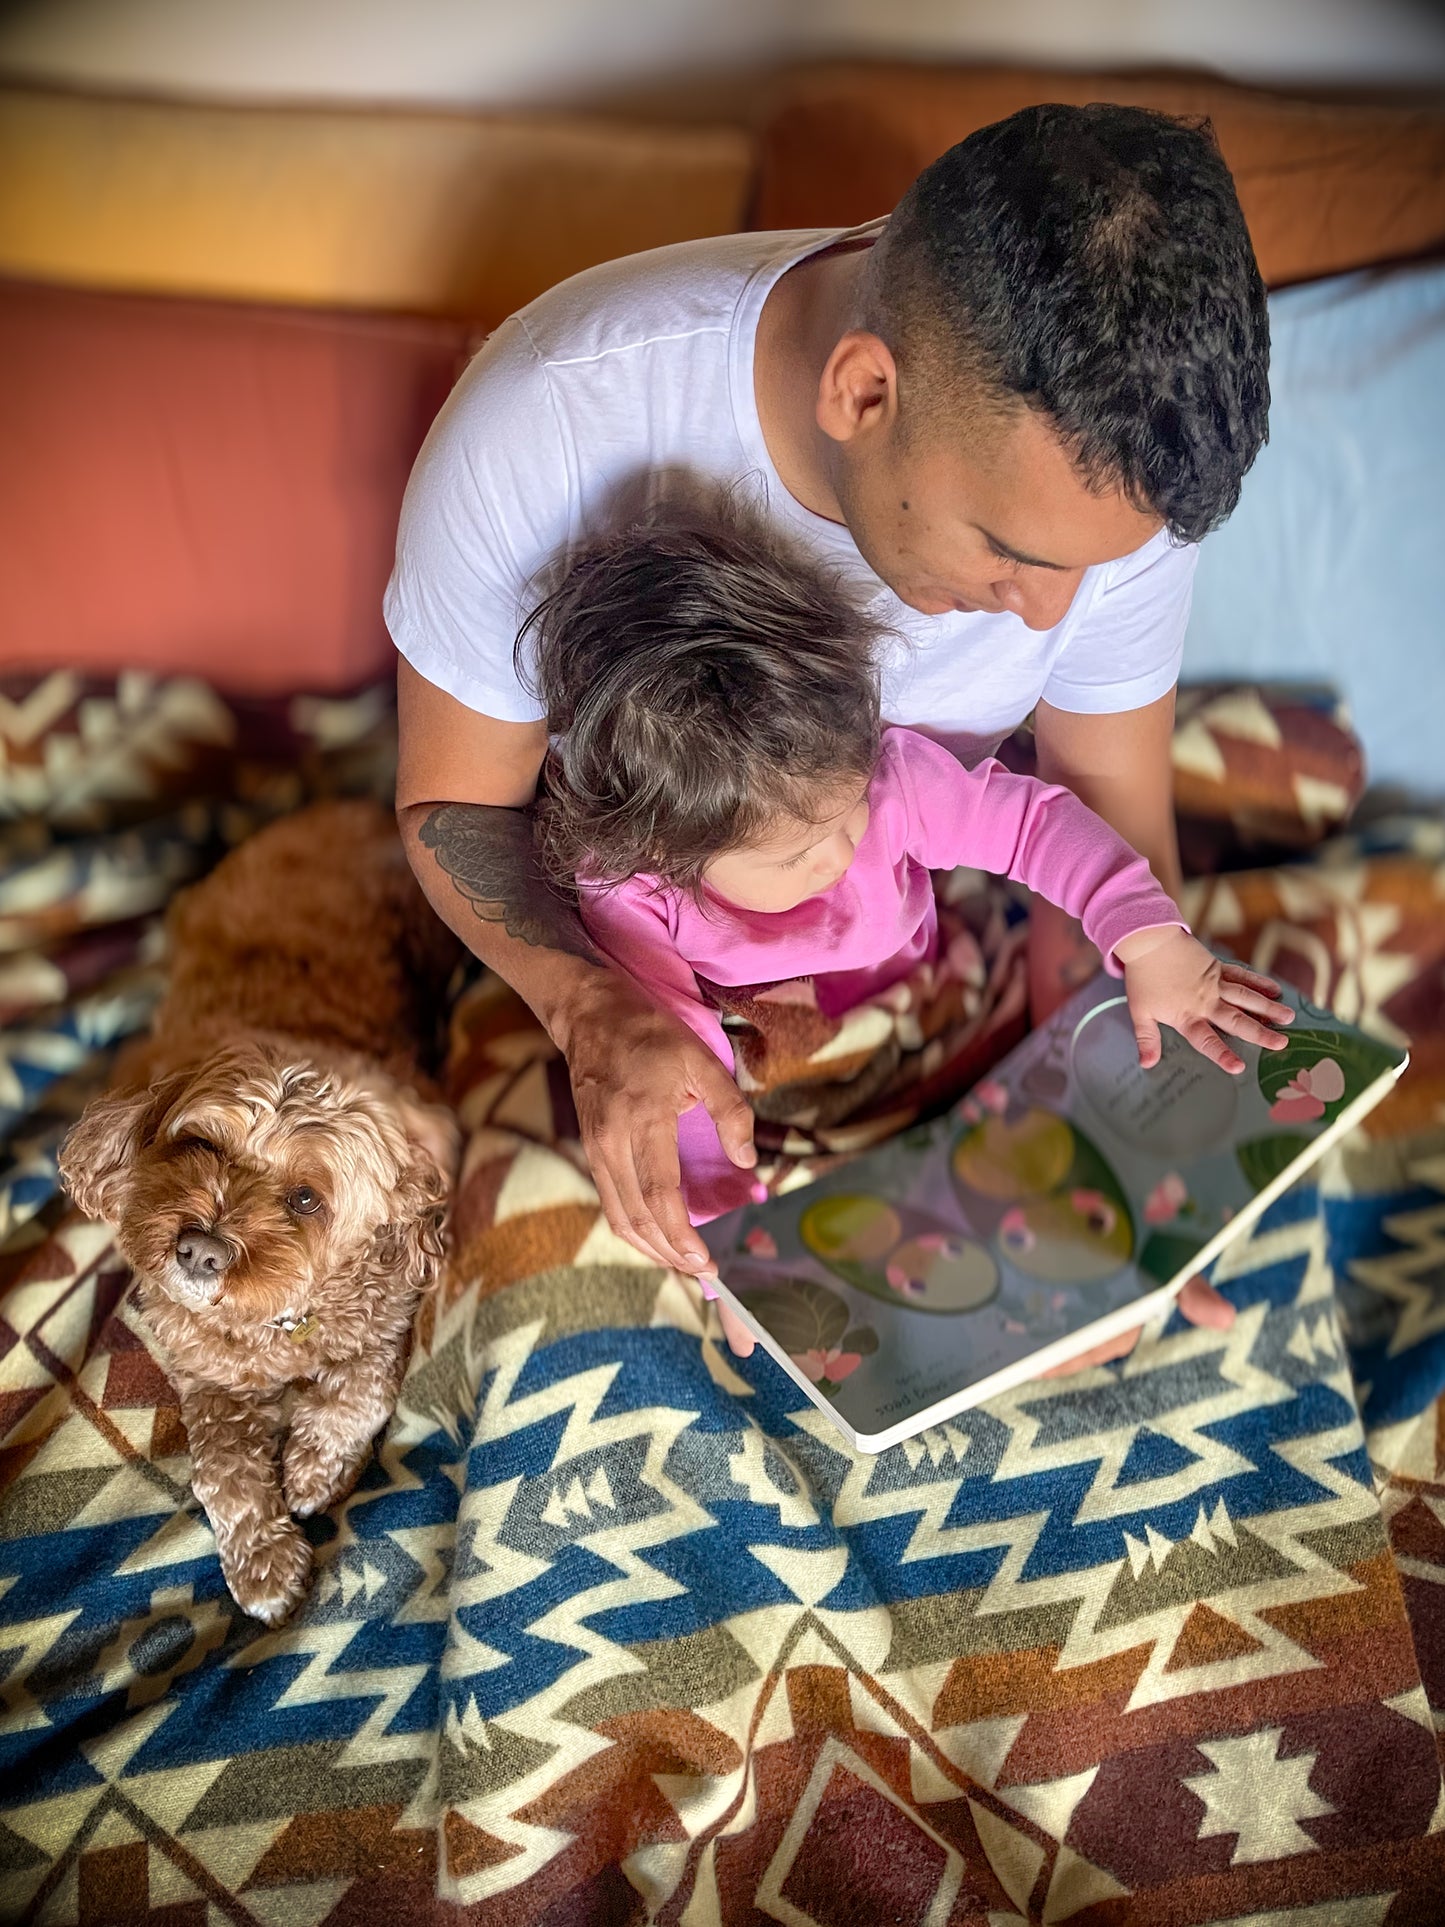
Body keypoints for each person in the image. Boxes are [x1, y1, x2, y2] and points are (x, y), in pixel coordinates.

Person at [389, 102, 1270, 1361]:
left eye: (1096, 570)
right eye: (1013, 557)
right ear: (862, 390)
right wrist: (597, 1012)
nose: (1051, 618)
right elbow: (457, 806)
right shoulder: (550, 425)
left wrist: (1120, 1188)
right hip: (634, 980)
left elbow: (1095, 808)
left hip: (911, 967)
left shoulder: (1111, 473)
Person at [520, 511, 1291, 1351]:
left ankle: (1149, 1252)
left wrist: (1149, 938)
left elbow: (1031, 826)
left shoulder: (884, 780)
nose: (842, 850)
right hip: (765, 1084)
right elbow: (680, 1073)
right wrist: (724, 1255)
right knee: (845, 1239)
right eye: (801, 851)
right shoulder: (632, 887)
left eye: (848, 811)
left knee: (1074, 1079)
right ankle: (1076, 1285)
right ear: (669, 853)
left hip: (925, 1003)